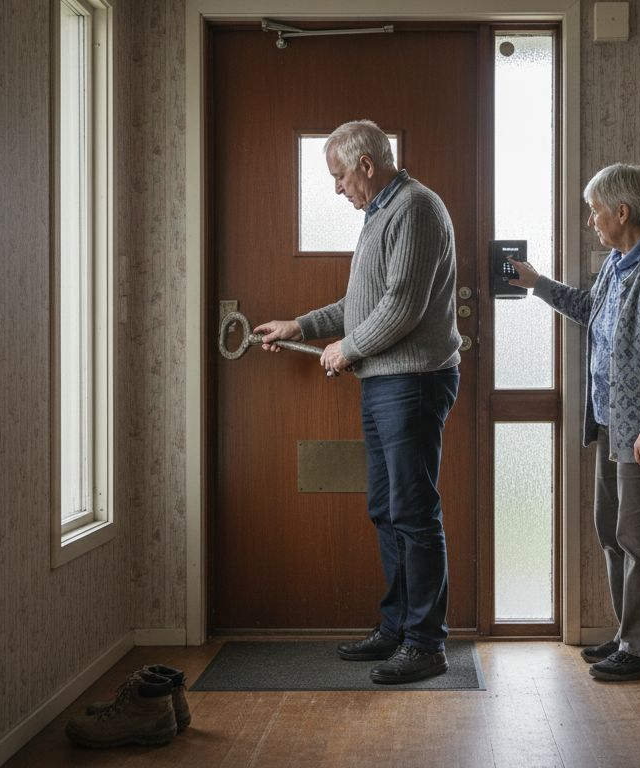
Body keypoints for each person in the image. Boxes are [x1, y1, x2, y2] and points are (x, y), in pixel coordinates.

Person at [255, 120, 462, 685]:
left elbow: (402, 306)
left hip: (413, 381)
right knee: (386, 509)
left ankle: (426, 644)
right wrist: (301, 324)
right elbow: (361, 301)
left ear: (366, 164)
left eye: (340, 175)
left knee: (414, 515)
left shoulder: (417, 208)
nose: (338, 188)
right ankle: (397, 629)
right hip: (383, 381)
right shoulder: (380, 215)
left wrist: (345, 349)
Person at [507, 163, 640, 681]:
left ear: (622, 211)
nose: (591, 220)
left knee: (639, 538)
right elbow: (590, 308)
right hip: (612, 423)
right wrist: (536, 283)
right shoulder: (618, 263)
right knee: (610, 532)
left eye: (595, 211)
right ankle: (627, 634)